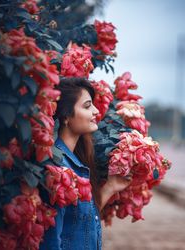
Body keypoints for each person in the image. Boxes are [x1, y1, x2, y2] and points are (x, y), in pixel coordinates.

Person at [39, 77, 132, 250]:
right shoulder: (57, 169)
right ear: (66, 116)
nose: (96, 111)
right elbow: (51, 242)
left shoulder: (76, 163)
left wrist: (110, 187)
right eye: (87, 106)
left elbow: (80, 222)